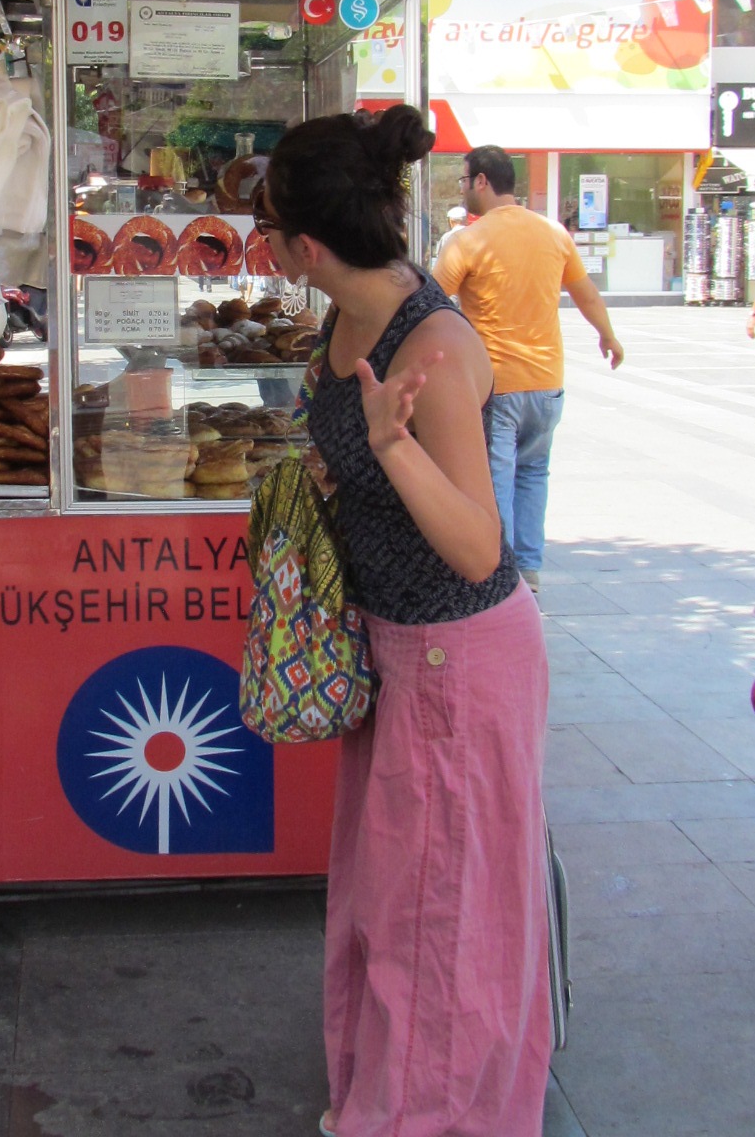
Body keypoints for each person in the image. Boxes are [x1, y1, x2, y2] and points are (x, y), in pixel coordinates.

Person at [255, 107, 550, 1137]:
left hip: (455, 658)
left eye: (269, 229)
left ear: (309, 246)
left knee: (437, 921)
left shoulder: (432, 343)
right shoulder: (345, 320)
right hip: (393, 651)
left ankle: (425, 1118)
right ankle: (386, 1097)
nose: (264, 244)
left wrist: (391, 451)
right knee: (392, 906)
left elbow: (478, 547)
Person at [433, 146, 623, 594]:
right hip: (548, 384)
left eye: (464, 180)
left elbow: (430, 303)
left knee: (496, 479)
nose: (463, 188)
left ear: (481, 181)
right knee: (534, 472)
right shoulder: (554, 233)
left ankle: (501, 576)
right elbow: (587, 294)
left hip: (497, 385)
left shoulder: (468, 240)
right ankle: (529, 571)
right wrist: (608, 336)